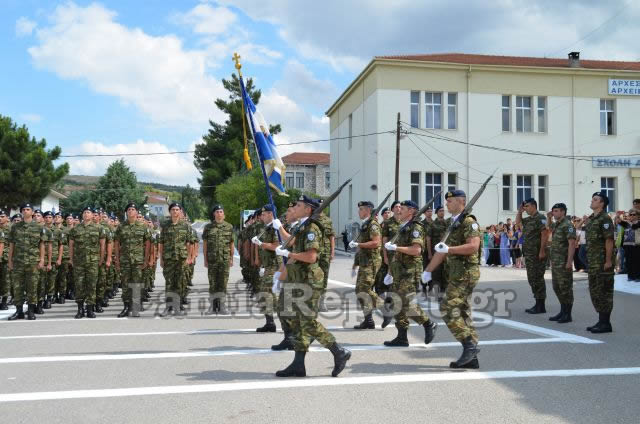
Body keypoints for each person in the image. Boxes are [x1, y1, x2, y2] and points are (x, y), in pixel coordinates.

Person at [274, 195, 351, 378]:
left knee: (307, 322)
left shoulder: (312, 228)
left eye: (299, 205)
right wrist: (281, 233)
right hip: (299, 280)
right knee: (300, 323)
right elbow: (292, 242)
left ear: (308, 209)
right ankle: (298, 364)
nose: (295, 207)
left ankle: (339, 351)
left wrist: (289, 253)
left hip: (309, 281)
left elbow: (311, 257)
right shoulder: (302, 226)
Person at [425, 190, 482, 369]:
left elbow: (473, 246)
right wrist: (427, 270)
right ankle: (471, 358)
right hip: (455, 273)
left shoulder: (468, 222)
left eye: (450, 201)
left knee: (447, 307)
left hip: (466, 273)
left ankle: (469, 346)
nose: (447, 204)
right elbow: (442, 250)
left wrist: (449, 250)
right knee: (463, 313)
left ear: (460, 201)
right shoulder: (451, 223)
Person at [382, 200, 438, 347]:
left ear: (411, 211)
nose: (399, 210)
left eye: (403, 208)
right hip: (398, 271)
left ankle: (428, 323)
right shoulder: (403, 227)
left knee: (405, 304)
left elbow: (416, 250)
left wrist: (396, 248)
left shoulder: (415, 227)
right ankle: (402, 337)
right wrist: (389, 272)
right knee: (396, 302)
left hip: (410, 271)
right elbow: (396, 254)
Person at [350, 201, 386, 329]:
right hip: (365, 261)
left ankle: (386, 310)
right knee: (359, 291)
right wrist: (355, 264)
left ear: (367, 210)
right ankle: (368, 319)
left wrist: (358, 245)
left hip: (372, 261)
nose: (358, 212)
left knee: (364, 289)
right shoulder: (365, 224)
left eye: (361, 209)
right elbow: (361, 247)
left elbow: (376, 242)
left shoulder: (373, 225)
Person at [7, 204, 47, 320]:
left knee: (32, 287)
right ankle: (18, 311)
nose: (25, 211)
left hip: (33, 262)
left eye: (28, 209)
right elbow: (11, 245)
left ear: (32, 212)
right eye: (23, 210)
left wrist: (42, 260)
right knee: (17, 287)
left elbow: (42, 245)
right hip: (18, 261)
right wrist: (10, 260)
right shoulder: (15, 227)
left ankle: (30, 311)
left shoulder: (39, 227)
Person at [584, 192, 615, 333]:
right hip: (593, 261)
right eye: (592, 199)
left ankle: (605, 323)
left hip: (602, 261)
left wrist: (608, 261)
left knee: (604, 292)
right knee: (594, 290)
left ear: (602, 203)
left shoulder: (605, 219)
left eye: (595, 200)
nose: (592, 201)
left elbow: (609, 240)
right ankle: (601, 321)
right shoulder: (591, 219)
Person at [114, 203, 151, 318]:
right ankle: (126, 307)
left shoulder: (143, 226)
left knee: (136, 284)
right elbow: (116, 243)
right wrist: (117, 260)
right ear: (126, 212)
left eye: (133, 209)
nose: (130, 211)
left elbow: (148, 244)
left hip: (138, 261)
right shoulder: (121, 227)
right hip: (124, 260)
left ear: (136, 212)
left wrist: (146, 260)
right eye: (128, 209)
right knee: (125, 285)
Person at [69, 206, 106, 319]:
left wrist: (101, 259)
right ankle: (80, 309)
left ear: (92, 215)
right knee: (79, 285)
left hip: (93, 262)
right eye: (84, 212)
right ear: (82, 215)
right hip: (79, 262)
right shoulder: (75, 229)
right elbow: (71, 245)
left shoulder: (98, 228)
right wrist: (71, 259)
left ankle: (90, 308)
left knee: (91, 285)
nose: (86, 214)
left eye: (88, 212)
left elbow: (102, 245)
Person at [251, 204, 282, 331]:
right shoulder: (265, 228)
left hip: (275, 265)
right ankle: (270, 322)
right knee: (266, 294)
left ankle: (289, 323)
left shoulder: (275, 228)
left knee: (269, 293)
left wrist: (261, 243)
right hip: (268, 265)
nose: (262, 217)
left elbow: (277, 246)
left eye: (264, 214)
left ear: (270, 214)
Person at [516, 198, 549, 314]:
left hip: (537, 253)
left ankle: (541, 305)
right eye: (524, 206)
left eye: (527, 206)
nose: (526, 208)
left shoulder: (541, 218)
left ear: (534, 206)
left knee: (537, 278)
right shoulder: (529, 219)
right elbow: (518, 223)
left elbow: (545, 234)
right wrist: (519, 212)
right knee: (532, 278)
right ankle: (537, 303)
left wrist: (542, 251)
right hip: (529, 254)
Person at [158, 203, 191, 316]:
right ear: (170, 211)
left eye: (177, 209)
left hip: (181, 258)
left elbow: (188, 243)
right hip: (169, 259)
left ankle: (178, 305)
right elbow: (161, 243)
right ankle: (168, 306)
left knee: (180, 282)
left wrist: (188, 257)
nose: (175, 211)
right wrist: (161, 258)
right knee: (169, 283)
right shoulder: (165, 225)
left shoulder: (185, 226)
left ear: (180, 211)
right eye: (173, 209)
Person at [546, 203, 576, 323]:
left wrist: (569, 261)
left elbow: (572, 243)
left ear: (563, 212)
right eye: (553, 211)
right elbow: (549, 228)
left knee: (565, 287)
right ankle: (563, 311)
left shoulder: (568, 225)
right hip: (556, 261)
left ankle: (567, 314)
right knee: (557, 287)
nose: (554, 213)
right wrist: (548, 217)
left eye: (556, 211)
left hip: (564, 261)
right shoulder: (557, 224)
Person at [203, 204, 234, 315]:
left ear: (224, 214)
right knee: (213, 283)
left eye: (221, 212)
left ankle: (222, 305)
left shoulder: (229, 227)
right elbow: (205, 244)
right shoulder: (208, 227)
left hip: (224, 259)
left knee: (223, 283)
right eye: (217, 212)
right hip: (212, 260)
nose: (219, 214)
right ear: (214, 214)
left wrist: (231, 258)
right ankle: (212, 306)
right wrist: (205, 259)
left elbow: (231, 243)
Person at [427, 206, 448, 301]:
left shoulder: (448, 223)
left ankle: (444, 292)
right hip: (436, 253)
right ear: (437, 213)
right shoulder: (432, 224)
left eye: (443, 211)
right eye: (440, 211)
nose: (442, 212)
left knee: (446, 273)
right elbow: (428, 239)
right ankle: (438, 294)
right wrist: (430, 253)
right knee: (436, 274)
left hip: (446, 254)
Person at [619, 208, 640, 281]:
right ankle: (630, 276)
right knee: (628, 261)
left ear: (638, 216)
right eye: (630, 215)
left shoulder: (638, 223)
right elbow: (619, 222)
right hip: (627, 245)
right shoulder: (626, 223)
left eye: (634, 214)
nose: (632, 216)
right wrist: (618, 217)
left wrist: (629, 222)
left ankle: (637, 276)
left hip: (636, 245)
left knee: (637, 261)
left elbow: (634, 227)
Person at [0, 209, 9, 310]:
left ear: (7, 218)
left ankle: (4, 301)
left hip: (6, 259)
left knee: (6, 280)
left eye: (2, 216)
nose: (0, 218)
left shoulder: (11, 230)